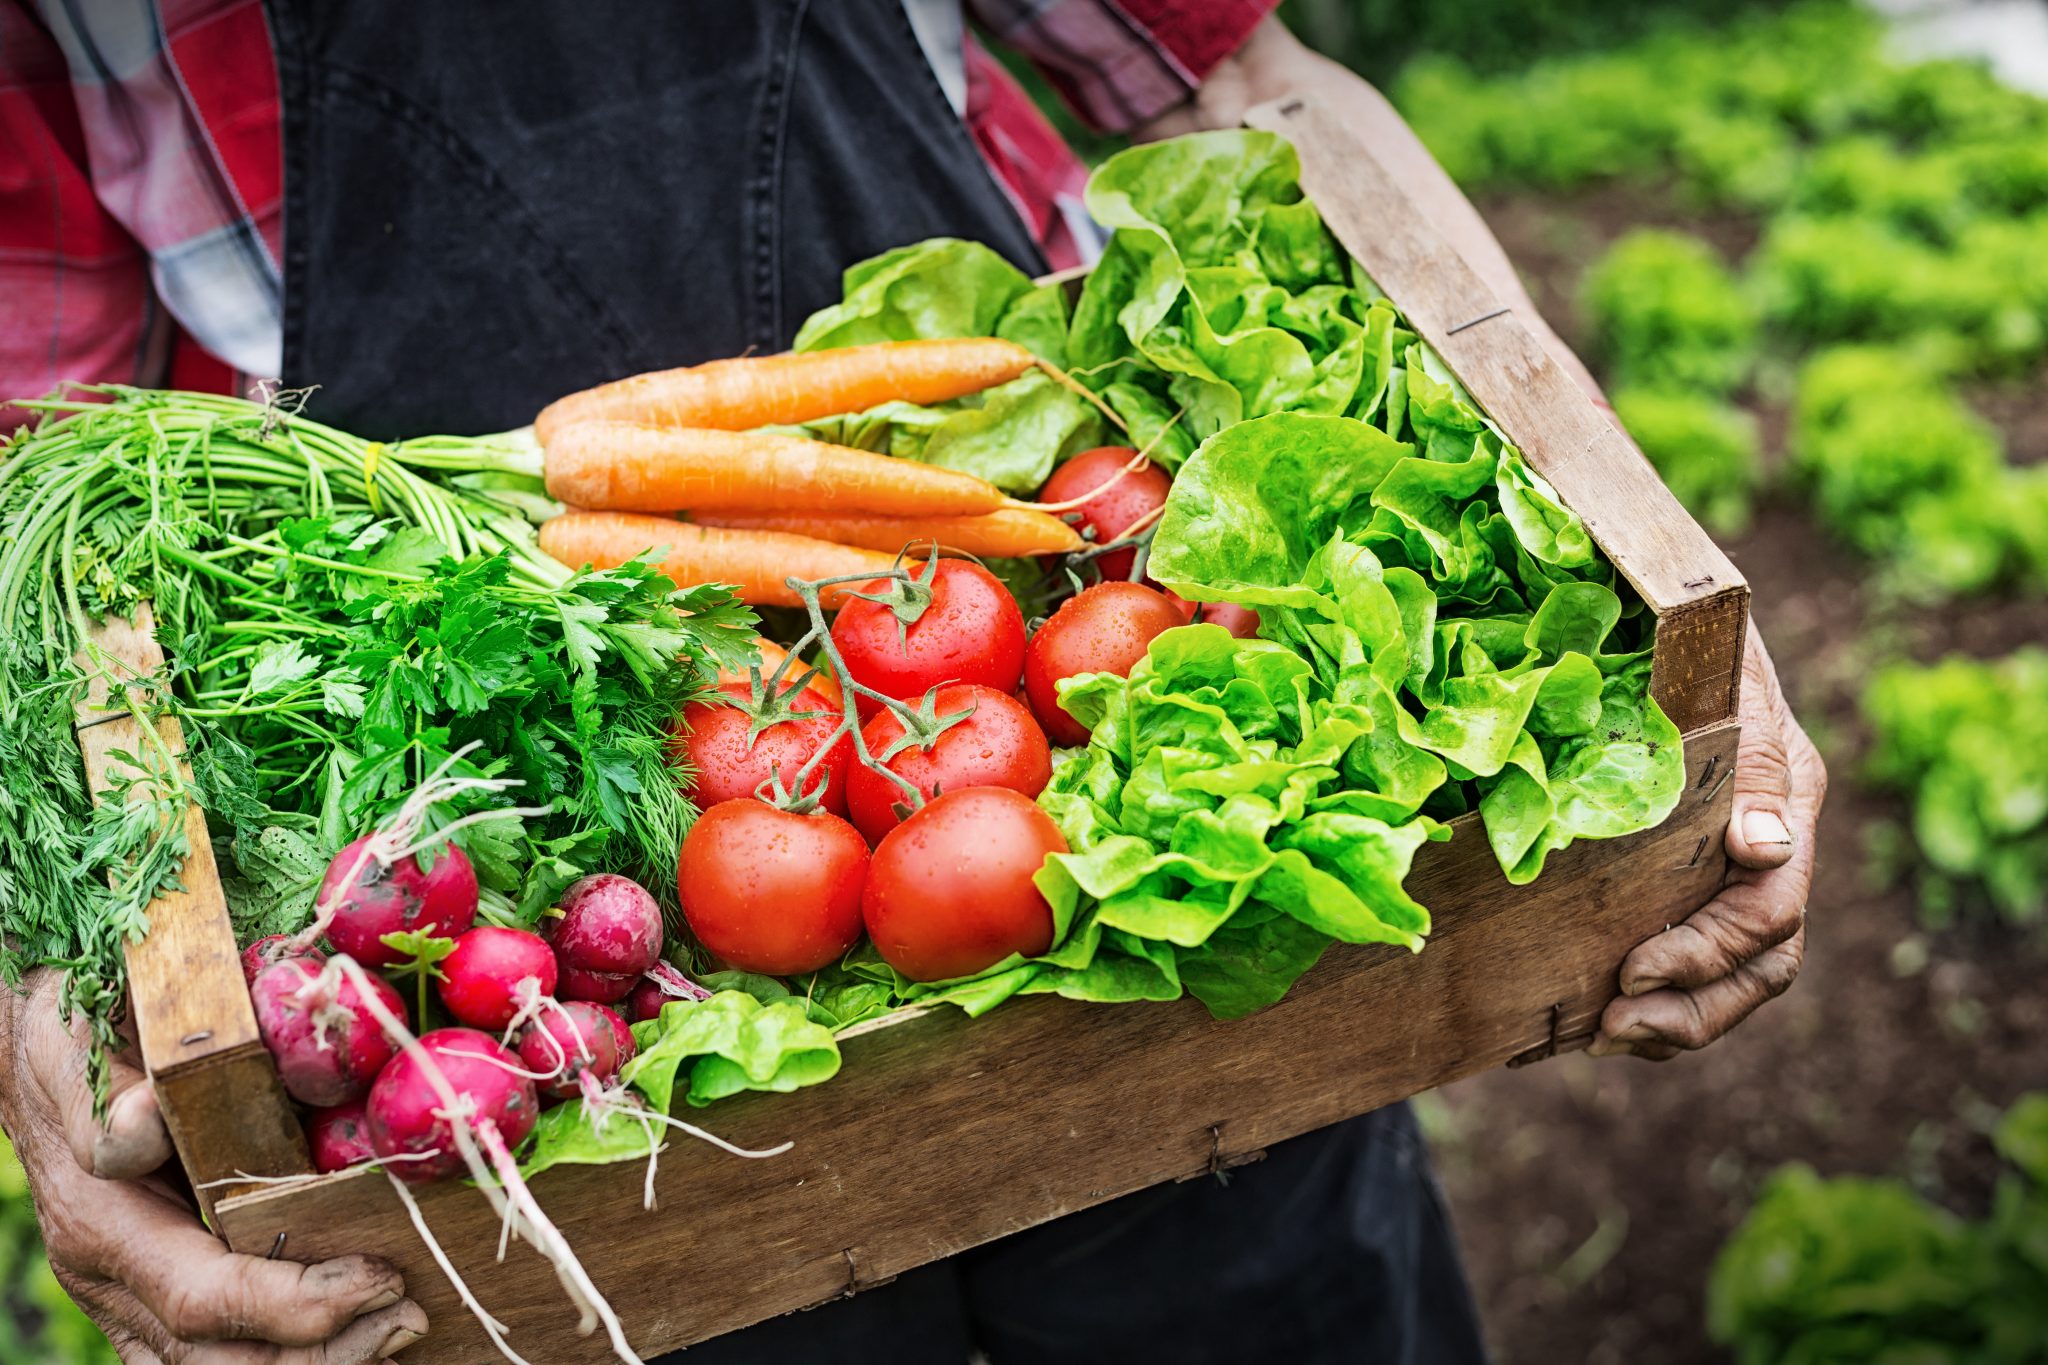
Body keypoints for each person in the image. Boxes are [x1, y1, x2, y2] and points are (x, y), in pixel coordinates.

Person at [0, 3, 1827, 1361]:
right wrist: (44, 983)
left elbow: (1241, 91)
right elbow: (34, 465)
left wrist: (1635, 539)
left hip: (1057, 580)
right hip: (456, 787)